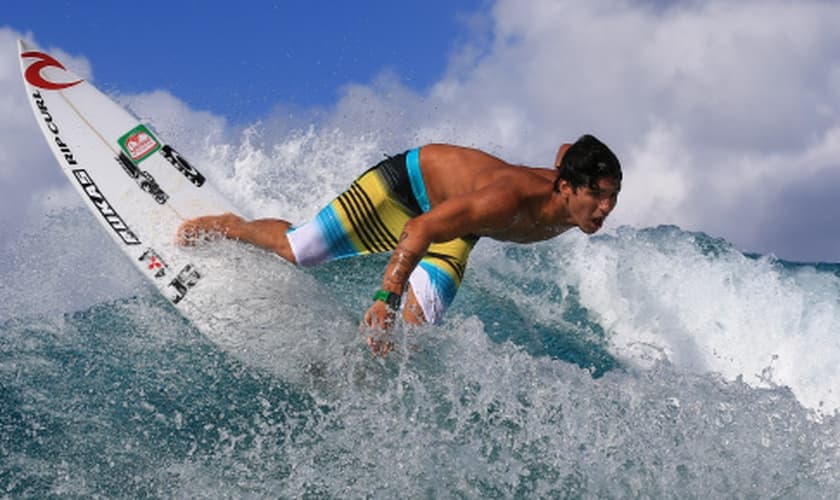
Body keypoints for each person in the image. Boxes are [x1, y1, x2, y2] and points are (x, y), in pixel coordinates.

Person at [176, 135, 622, 356]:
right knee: (302, 250)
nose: (606, 208)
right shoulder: (506, 200)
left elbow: (566, 149)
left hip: (459, 225)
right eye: (597, 196)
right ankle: (233, 226)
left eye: (612, 196)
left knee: (413, 336)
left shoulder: (571, 197)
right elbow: (420, 229)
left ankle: (360, 370)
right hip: (407, 188)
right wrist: (386, 296)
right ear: (566, 187)